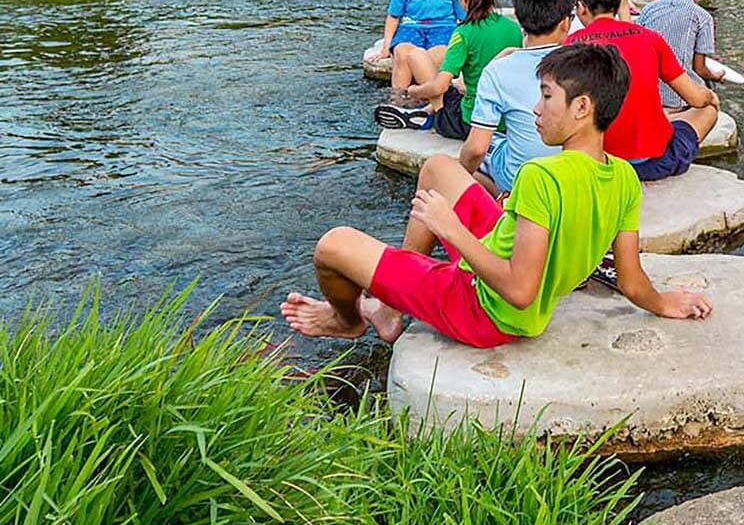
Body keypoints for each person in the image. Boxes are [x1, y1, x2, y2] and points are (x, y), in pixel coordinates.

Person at [280, 44, 714, 349]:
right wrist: (664, 303)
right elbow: (631, 281)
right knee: (437, 169)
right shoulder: (622, 176)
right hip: (515, 282)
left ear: (582, 109)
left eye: (546, 97)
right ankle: (392, 306)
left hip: (483, 308)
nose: (535, 109)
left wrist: (450, 229)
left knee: (333, 245)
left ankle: (348, 319)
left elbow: (520, 291)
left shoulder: (541, 175)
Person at [566, 0, 720, 181]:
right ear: (619, 2)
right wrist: (711, 96)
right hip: (653, 162)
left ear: (581, 7)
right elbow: (696, 98)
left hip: (598, 163)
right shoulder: (649, 38)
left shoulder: (572, 44)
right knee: (708, 110)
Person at [374, 0, 523, 141]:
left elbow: (439, 87)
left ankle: (429, 117)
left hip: (469, 123)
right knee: (455, 88)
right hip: (503, 120)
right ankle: (425, 113)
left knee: (415, 56)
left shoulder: (464, 33)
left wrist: (413, 91)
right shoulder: (513, 28)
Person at [459, 0, 575, 195]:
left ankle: (501, 197)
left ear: (521, 20)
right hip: (573, 177)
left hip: (522, 179)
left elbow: (475, 149)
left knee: (478, 154)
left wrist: (459, 175)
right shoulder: (585, 63)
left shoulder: (497, 71)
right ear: (565, 22)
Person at [637, 0, 731, 110]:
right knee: (711, 101)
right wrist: (715, 76)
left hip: (648, 94)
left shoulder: (648, 10)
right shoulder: (702, 17)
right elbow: (699, 69)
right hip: (681, 99)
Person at [366, 0, 464, 90]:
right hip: (411, 27)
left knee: (437, 55)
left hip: (444, 27)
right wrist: (386, 47)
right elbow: (394, 16)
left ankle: (431, 99)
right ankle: (398, 101)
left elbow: (463, 17)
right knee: (402, 53)